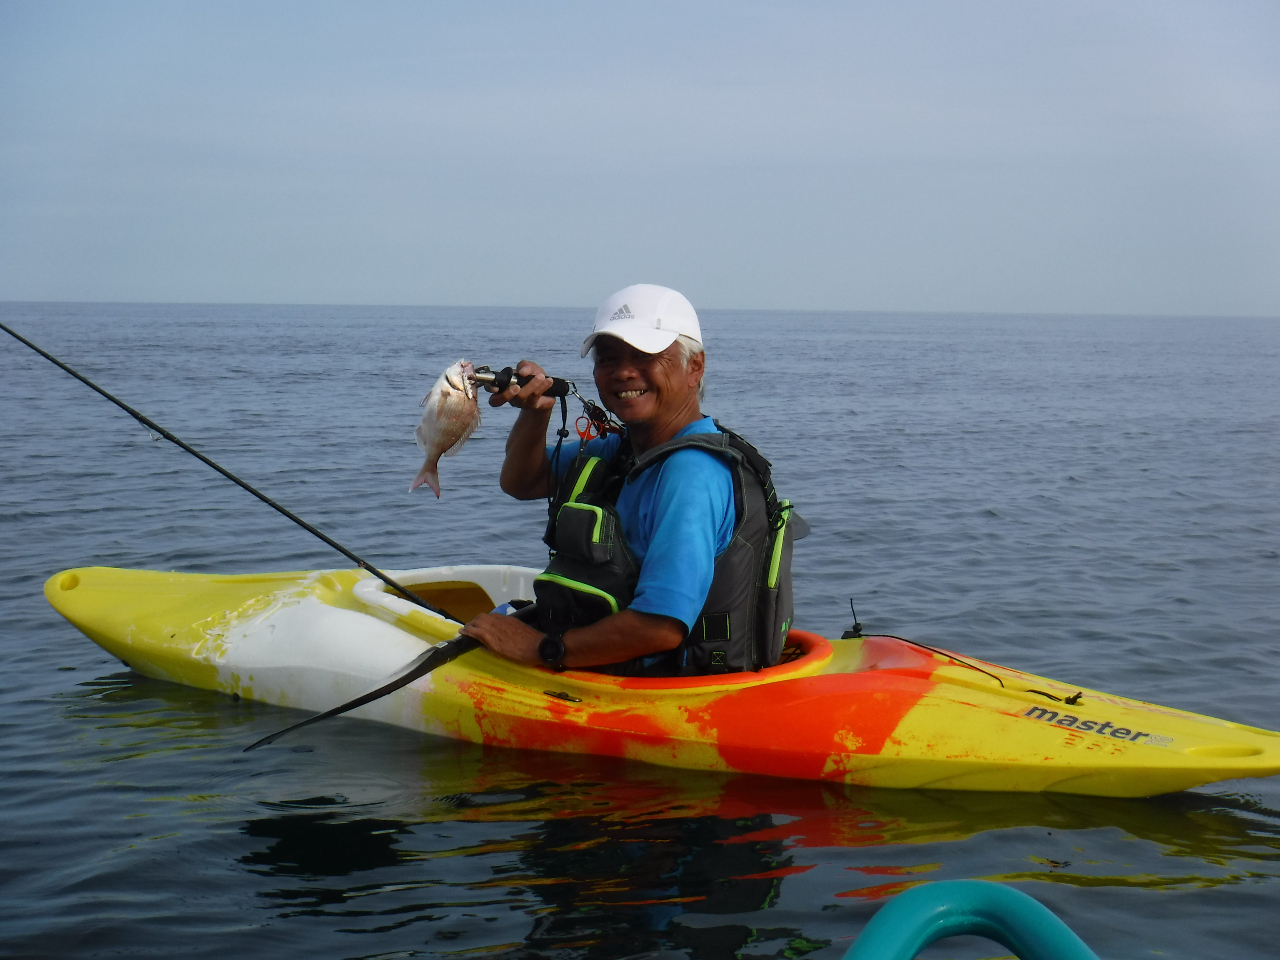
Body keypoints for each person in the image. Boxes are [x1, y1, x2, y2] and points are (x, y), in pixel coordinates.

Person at [459, 284, 799, 676]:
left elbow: (661, 627)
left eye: (645, 356)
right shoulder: (622, 450)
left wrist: (540, 648)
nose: (623, 372)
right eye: (608, 359)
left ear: (695, 367)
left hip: (667, 687)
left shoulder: (692, 473)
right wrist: (537, 411)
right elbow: (522, 481)